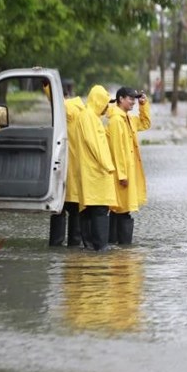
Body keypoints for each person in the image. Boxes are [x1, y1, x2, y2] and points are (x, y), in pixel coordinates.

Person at [106, 87, 151, 245]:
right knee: (121, 209)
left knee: (121, 209)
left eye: (135, 99)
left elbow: (145, 123)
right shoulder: (116, 121)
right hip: (121, 175)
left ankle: (117, 246)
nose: (133, 102)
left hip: (128, 172)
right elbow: (117, 150)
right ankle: (121, 246)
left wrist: (143, 105)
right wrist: (122, 175)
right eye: (131, 99)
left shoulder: (128, 118)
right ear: (120, 99)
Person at [77, 85, 118, 251]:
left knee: (90, 208)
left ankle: (91, 248)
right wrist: (108, 166)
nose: (107, 107)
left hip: (94, 171)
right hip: (96, 172)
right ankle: (100, 247)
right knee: (100, 208)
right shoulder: (88, 117)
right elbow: (94, 144)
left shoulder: (91, 116)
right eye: (106, 103)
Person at [49, 95, 85, 247]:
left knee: (58, 210)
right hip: (78, 173)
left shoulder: (68, 112)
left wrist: (48, 88)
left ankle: (56, 244)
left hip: (62, 171)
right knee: (76, 212)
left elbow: (55, 102)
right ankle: (74, 246)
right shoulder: (85, 114)